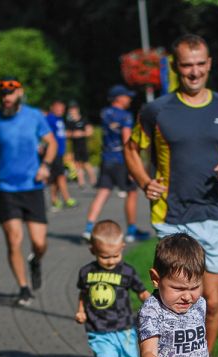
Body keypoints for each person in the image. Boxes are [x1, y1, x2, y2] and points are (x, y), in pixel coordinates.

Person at [124, 34, 218, 357]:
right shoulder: (156, 110)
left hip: (217, 215)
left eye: (200, 65)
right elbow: (131, 148)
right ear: (175, 67)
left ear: (209, 64)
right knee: (175, 300)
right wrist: (144, 181)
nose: (194, 72)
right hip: (173, 217)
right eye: (187, 66)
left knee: (210, 302)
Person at [0, 76, 57, 307]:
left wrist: (45, 165)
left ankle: (36, 261)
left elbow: (52, 142)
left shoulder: (34, 116)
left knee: (39, 243)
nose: (6, 98)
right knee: (14, 239)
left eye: (10, 93)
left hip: (33, 186)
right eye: (2, 94)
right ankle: (23, 288)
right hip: (6, 188)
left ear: (19, 93)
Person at [75, 220, 150, 357]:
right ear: (93, 250)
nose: (110, 261)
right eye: (104, 256)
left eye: (115, 256)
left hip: (125, 332)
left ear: (122, 249)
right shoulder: (86, 272)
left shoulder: (127, 272)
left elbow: (141, 292)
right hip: (99, 333)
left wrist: (154, 305)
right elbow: (83, 293)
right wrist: (80, 310)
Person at [82, 85, 150, 243]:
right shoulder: (125, 116)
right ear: (118, 98)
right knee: (132, 192)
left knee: (103, 192)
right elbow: (126, 140)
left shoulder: (105, 113)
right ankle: (132, 230)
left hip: (106, 158)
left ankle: (89, 228)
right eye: (127, 96)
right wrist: (132, 165)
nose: (130, 99)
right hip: (121, 159)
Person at [45, 99, 77, 210]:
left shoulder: (59, 119)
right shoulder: (49, 119)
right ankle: (66, 198)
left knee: (55, 178)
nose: (60, 110)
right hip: (53, 153)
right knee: (61, 176)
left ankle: (55, 200)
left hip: (60, 152)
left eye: (62, 108)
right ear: (52, 107)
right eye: (58, 108)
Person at [64, 102, 96, 187]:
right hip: (75, 145)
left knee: (86, 163)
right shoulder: (69, 122)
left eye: (73, 109)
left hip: (83, 145)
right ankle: (81, 182)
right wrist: (73, 134)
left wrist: (81, 133)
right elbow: (66, 133)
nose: (72, 111)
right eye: (71, 110)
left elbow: (90, 132)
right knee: (77, 163)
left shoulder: (83, 120)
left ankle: (93, 180)